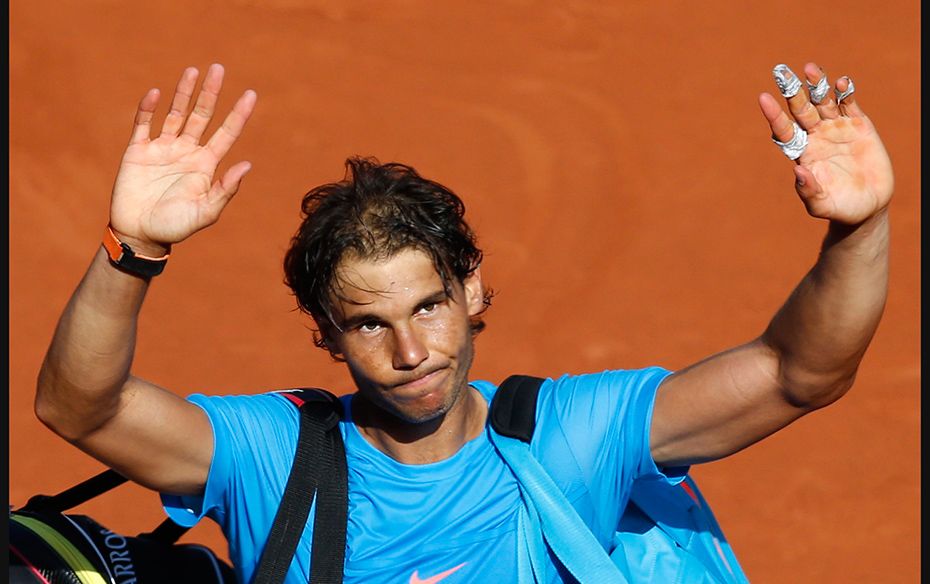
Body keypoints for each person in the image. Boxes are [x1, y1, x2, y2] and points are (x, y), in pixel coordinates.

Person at [34, 60, 893, 582]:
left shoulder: (569, 439)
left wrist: (858, 229)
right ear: (324, 334)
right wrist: (132, 247)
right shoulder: (273, 454)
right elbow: (84, 409)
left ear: (472, 291)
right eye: (368, 325)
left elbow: (798, 373)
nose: (412, 353)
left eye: (431, 305)